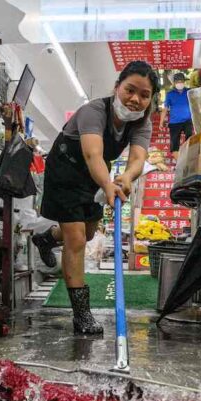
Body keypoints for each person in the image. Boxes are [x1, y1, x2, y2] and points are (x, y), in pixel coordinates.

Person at [30, 60, 159, 335]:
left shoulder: (141, 124)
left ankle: (47, 238)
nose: (135, 99)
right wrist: (108, 183)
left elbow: (137, 158)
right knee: (76, 238)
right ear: (117, 87)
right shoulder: (93, 112)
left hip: (93, 175)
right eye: (130, 90)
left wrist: (126, 178)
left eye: (144, 95)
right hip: (66, 168)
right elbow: (92, 154)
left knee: (88, 234)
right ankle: (81, 315)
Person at [159, 72, 193, 159]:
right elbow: (165, 108)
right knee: (174, 143)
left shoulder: (189, 92)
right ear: (174, 83)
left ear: (184, 82)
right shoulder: (170, 94)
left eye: (181, 81)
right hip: (174, 122)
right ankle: (179, 163)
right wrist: (161, 122)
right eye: (177, 81)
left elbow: (196, 104)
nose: (179, 83)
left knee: (190, 140)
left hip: (187, 121)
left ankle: (187, 158)